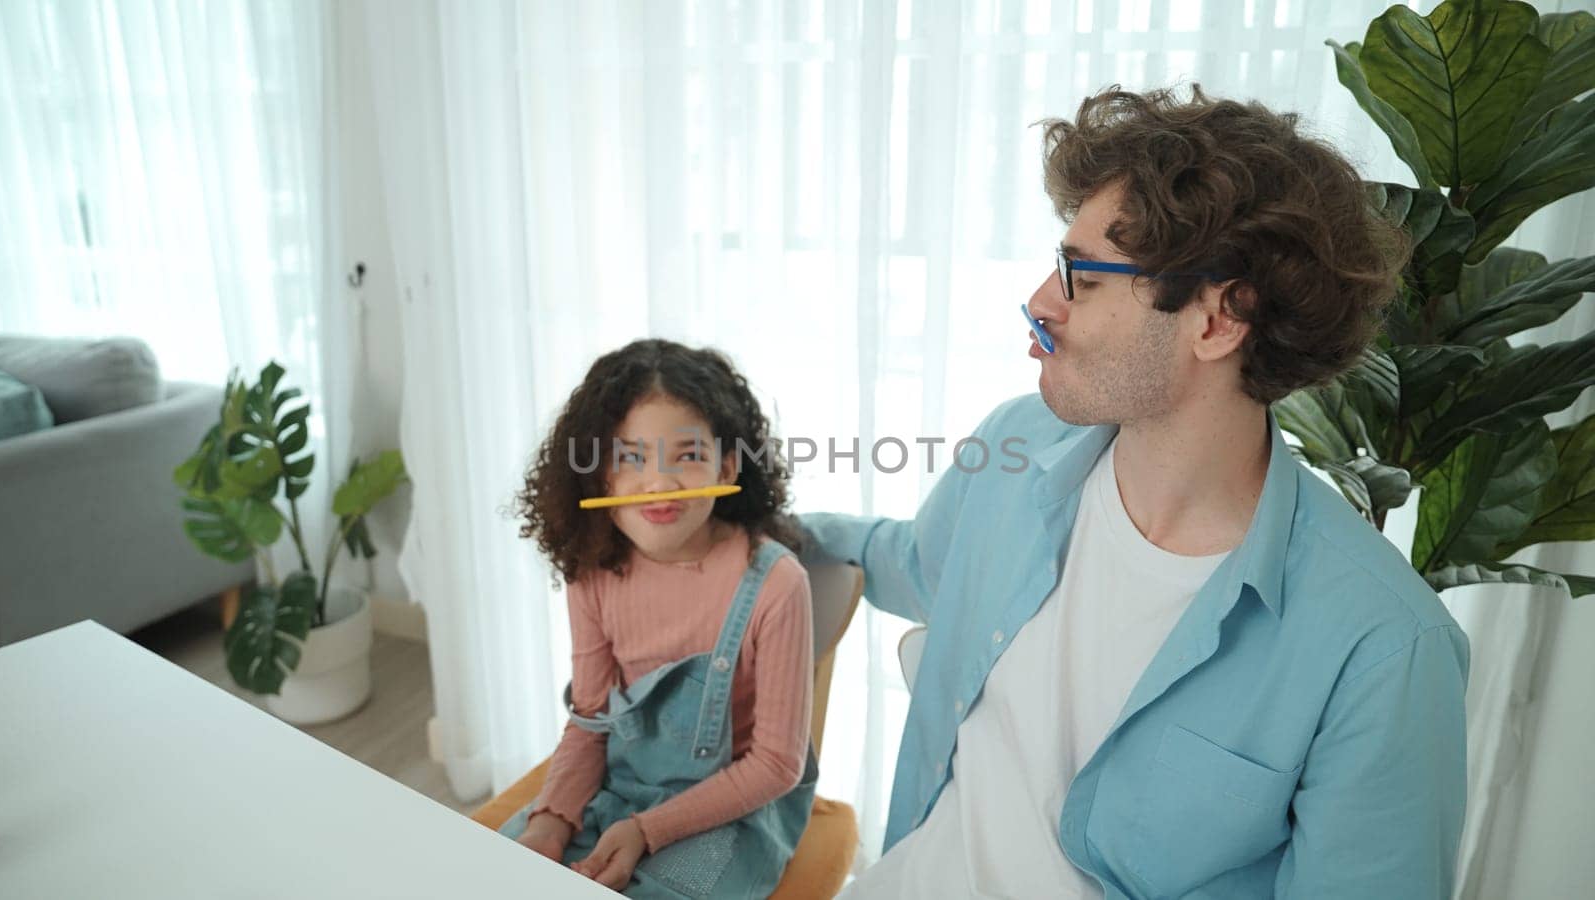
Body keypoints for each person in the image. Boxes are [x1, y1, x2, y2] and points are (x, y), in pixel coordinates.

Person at [803, 85, 1468, 898]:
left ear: (1220, 320)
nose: (1042, 303)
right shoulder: (1016, 446)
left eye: (1078, 275)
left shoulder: (1384, 647)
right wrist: (750, 517)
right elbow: (913, 561)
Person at [504, 338, 817, 898]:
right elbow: (591, 720)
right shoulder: (591, 572)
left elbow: (775, 765)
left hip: (738, 809)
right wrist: (550, 823)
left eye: (688, 456)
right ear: (597, 474)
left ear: (726, 465)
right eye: (630, 457)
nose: (660, 482)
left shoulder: (777, 584)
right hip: (623, 784)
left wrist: (647, 831)